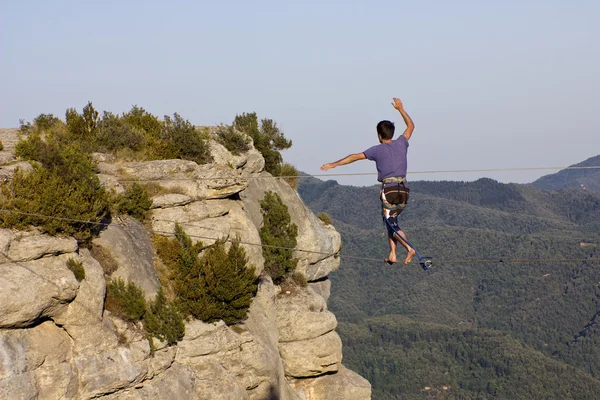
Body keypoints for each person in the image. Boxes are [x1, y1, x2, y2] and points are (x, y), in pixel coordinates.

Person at [320, 97, 415, 265]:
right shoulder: (401, 143)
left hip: (390, 190)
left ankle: (408, 248)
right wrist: (401, 109)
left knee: (391, 223)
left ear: (379, 135)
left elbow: (354, 157)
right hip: (405, 190)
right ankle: (392, 253)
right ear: (391, 134)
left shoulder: (377, 149)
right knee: (391, 220)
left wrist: (333, 165)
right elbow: (411, 126)